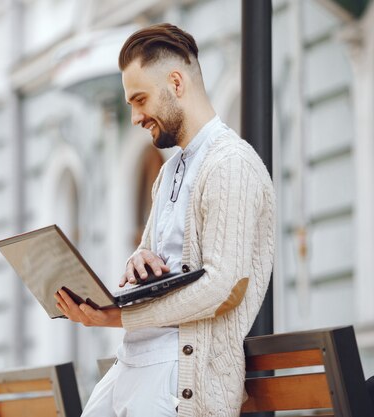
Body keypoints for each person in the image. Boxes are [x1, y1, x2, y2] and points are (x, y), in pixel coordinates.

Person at [54, 23, 276, 417]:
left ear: (176, 82)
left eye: (140, 99)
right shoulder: (169, 172)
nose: (137, 116)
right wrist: (137, 261)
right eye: (130, 105)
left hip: (179, 376)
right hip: (132, 364)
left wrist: (119, 316)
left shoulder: (231, 164)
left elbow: (224, 287)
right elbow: (153, 252)